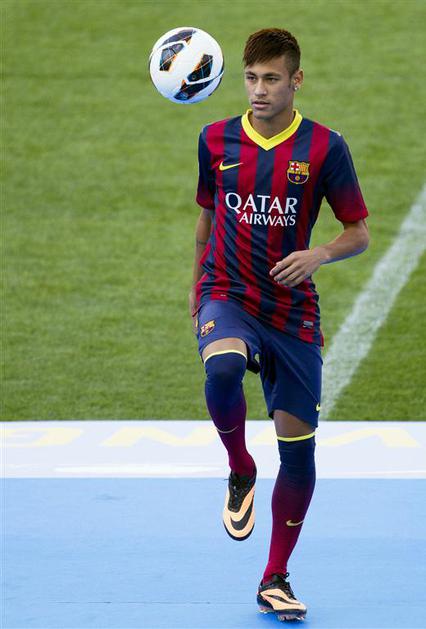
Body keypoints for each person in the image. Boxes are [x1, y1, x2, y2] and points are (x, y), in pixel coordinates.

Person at [189, 28, 369, 622]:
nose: (259, 90)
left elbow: (358, 233)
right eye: (251, 78)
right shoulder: (214, 139)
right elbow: (207, 217)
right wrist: (196, 286)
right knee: (223, 368)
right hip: (227, 293)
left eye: (271, 79)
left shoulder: (325, 147)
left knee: (298, 453)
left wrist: (319, 254)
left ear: (296, 80)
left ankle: (275, 577)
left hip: (292, 310)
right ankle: (240, 465)